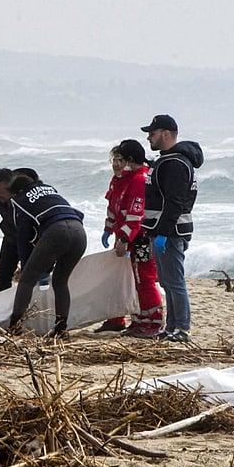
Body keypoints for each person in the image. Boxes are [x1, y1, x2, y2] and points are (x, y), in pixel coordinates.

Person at [140, 114, 204, 342]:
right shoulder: (167, 161)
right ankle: (170, 328)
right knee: (166, 281)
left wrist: (163, 234)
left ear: (165, 134)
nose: (149, 137)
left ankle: (182, 329)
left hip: (171, 232)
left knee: (175, 282)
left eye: (152, 133)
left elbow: (174, 202)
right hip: (164, 231)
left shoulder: (175, 164)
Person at [96, 139, 165, 338]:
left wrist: (125, 238)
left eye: (121, 159)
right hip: (129, 236)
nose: (118, 164)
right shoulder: (125, 178)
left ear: (130, 159)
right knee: (134, 279)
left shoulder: (139, 180)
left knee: (145, 278)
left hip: (140, 238)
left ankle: (153, 321)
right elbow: (116, 206)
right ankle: (139, 319)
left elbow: (136, 214)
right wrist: (109, 229)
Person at [6, 174, 87, 337]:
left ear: (17, 192)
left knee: (27, 280)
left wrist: (25, 265)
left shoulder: (19, 201)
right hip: (79, 232)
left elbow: (24, 237)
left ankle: (15, 327)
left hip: (57, 232)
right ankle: (61, 328)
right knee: (61, 281)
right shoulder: (50, 189)